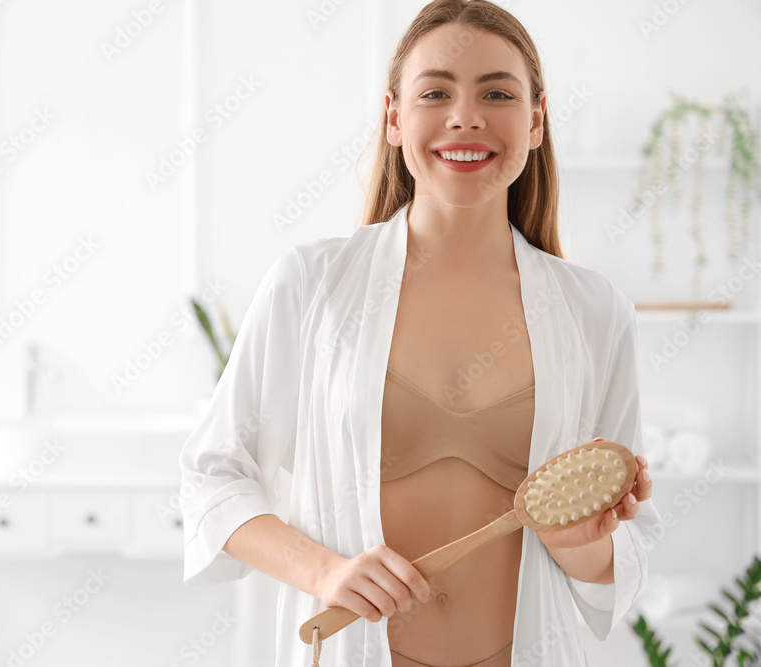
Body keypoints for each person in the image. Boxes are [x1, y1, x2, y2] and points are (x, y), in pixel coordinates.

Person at [178, 1, 662, 665]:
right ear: (396, 118)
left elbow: (625, 559)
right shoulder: (311, 285)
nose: (465, 115)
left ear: (537, 119)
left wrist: (581, 542)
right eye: (436, 92)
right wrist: (323, 571)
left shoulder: (595, 311)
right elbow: (211, 477)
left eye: (497, 92)